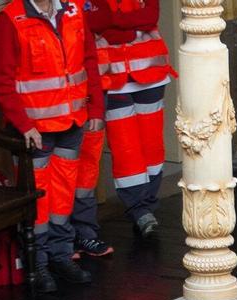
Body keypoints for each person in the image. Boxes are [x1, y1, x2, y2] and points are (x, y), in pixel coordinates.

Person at [0, 0, 104, 291]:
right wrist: (23, 125)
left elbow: (89, 61)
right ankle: (38, 263)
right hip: (35, 130)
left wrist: (95, 108)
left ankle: (62, 256)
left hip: (73, 121)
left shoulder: (74, 9)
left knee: (63, 194)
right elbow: (1, 79)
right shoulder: (11, 18)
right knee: (38, 198)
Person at [82, 0, 175, 241]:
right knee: (125, 148)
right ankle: (139, 210)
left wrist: (114, 22)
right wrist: (132, 26)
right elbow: (92, 22)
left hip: (151, 75)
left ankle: (148, 205)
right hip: (112, 79)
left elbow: (151, 15)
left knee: (152, 147)